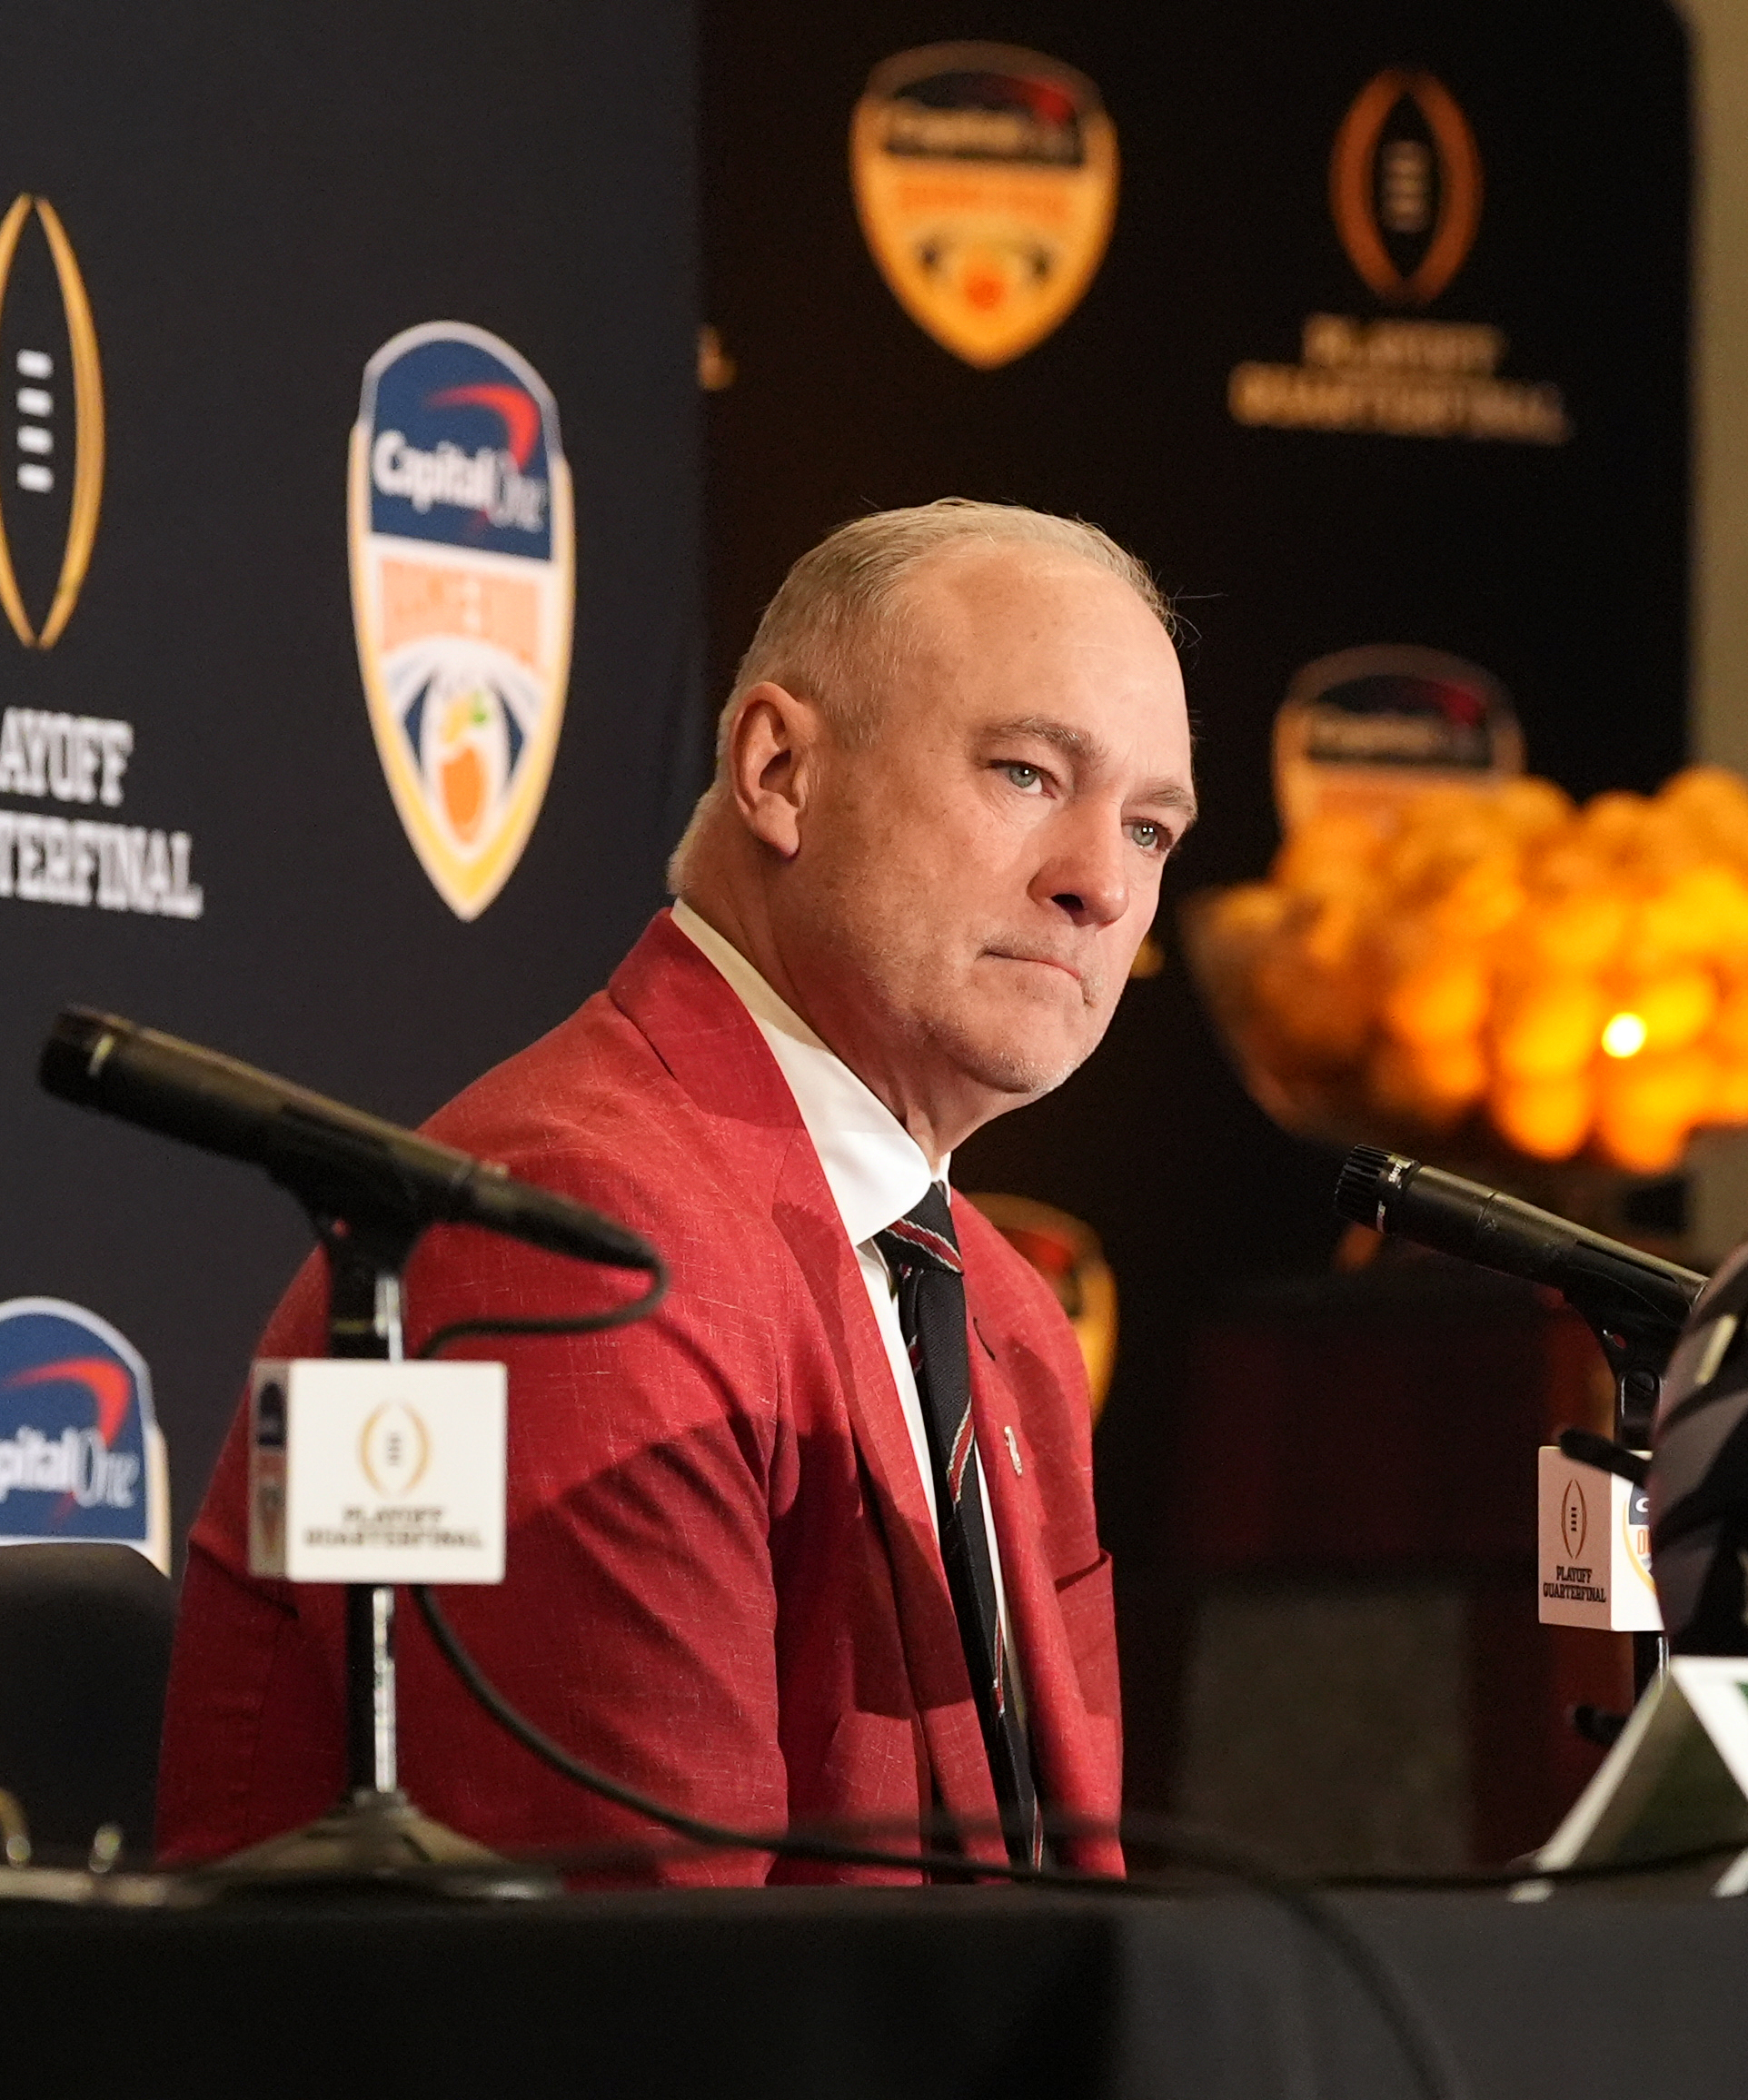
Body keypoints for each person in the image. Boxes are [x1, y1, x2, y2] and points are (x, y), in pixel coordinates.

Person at [160, 501, 1191, 1881]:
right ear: (780, 773)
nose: (1098, 886)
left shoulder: (1004, 1319)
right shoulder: (559, 1240)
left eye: (1151, 831)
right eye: (1022, 773)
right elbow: (645, 1984)